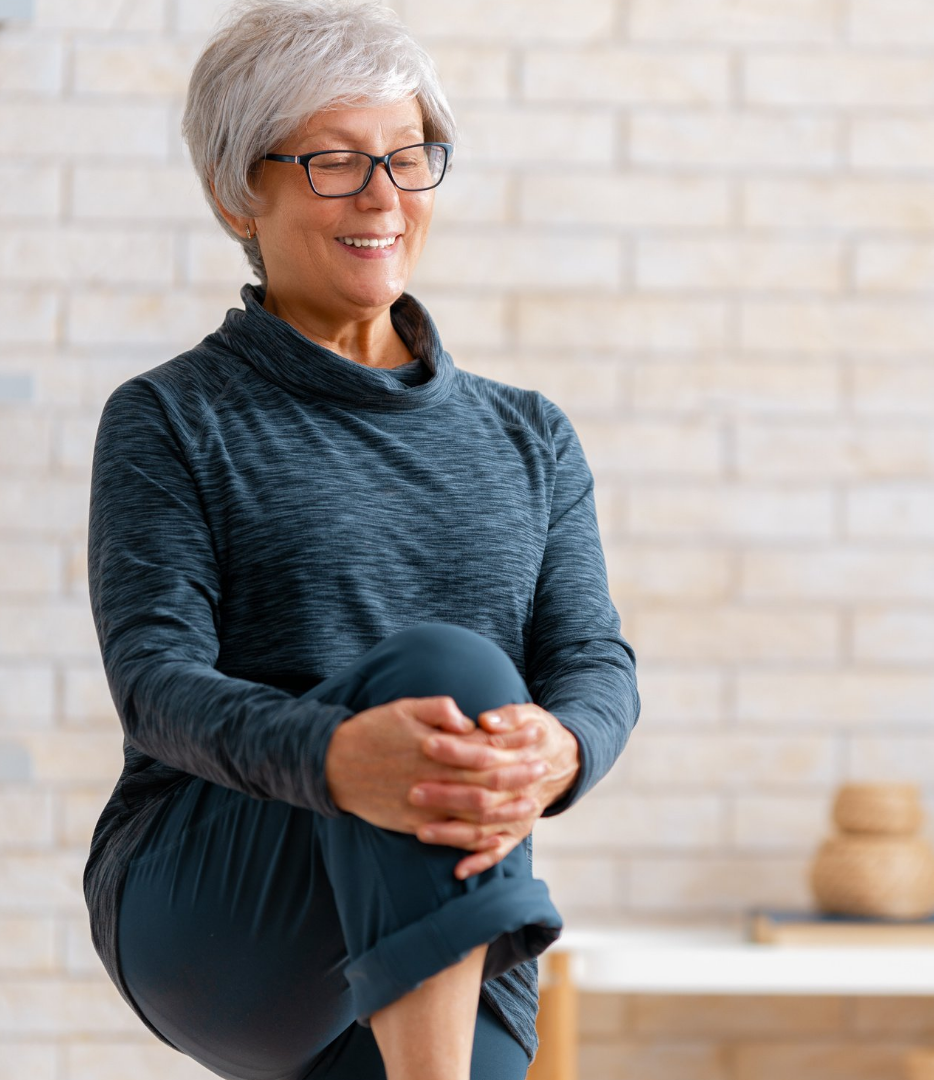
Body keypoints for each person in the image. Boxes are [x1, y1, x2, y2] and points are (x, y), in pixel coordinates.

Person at [79, 2, 640, 1078]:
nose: (384, 196)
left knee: (472, 703)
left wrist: (562, 750)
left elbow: (593, 660)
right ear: (237, 191)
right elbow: (155, 682)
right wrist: (342, 759)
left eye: (409, 157)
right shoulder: (172, 417)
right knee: (449, 670)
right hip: (216, 891)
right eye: (336, 162)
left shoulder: (531, 437)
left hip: (444, 891)